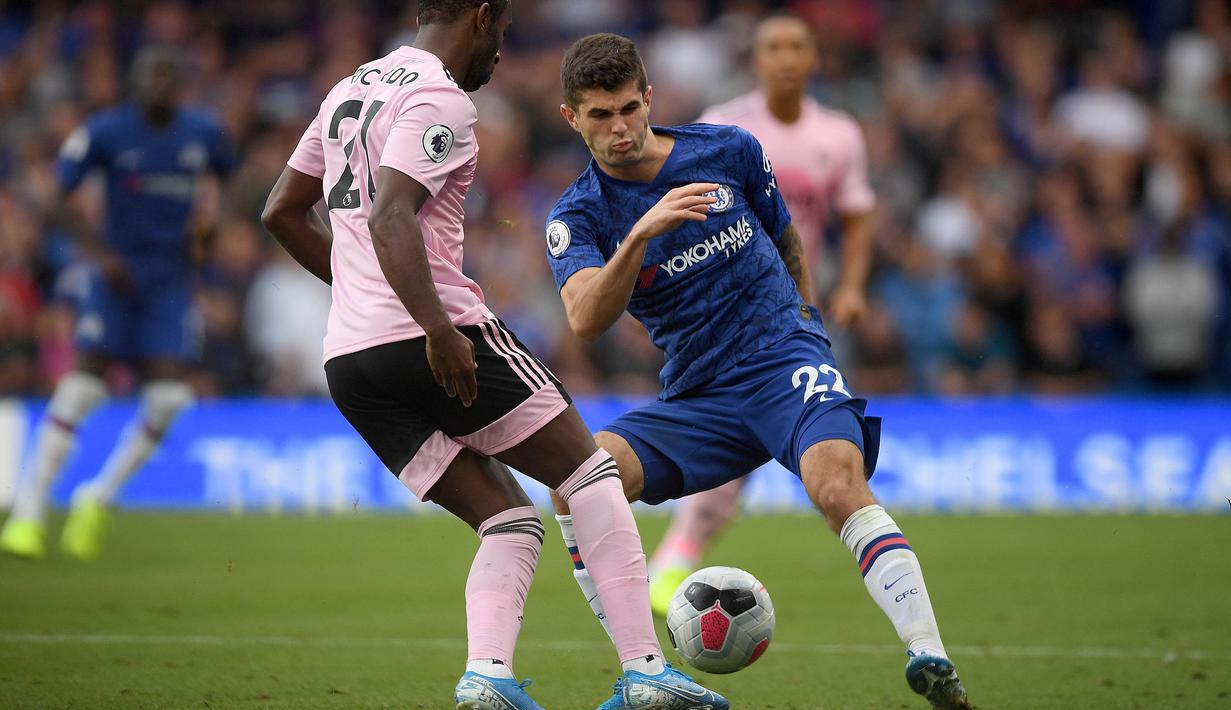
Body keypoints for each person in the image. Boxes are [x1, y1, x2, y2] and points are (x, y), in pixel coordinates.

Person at [260, 3, 726, 708]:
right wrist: (434, 328)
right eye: (502, 33)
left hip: (350, 361)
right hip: (435, 335)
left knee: (507, 521)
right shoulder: (437, 96)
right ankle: (644, 675)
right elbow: (390, 215)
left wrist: (359, 292)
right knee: (588, 475)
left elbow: (280, 211)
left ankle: (488, 680)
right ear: (479, 17)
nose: (501, 53)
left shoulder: (348, 90)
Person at [545, 33, 970, 709]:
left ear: (649, 98)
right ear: (571, 118)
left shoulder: (727, 150)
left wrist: (805, 323)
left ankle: (930, 657)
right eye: (599, 116)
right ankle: (644, 673)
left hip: (782, 362)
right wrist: (638, 236)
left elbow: (785, 236)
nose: (619, 128)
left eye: (629, 108)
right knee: (577, 481)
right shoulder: (577, 216)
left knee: (835, 483)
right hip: (696, 396)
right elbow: (585, 320)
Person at [646, 13, 877, 615]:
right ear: (756, 59)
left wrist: (850, 285)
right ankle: (669, 566)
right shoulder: (720, 128)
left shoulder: (841, 135)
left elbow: (856, 216)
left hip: (805, 314)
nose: (784, 57)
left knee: (831, 460)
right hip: (730, 321)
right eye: (772, 46)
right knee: (729, 460)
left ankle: (880, 565)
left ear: (813, 59)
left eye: (796, 46)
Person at [0, 48, 236, 561]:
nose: (160, 85)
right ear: (135, 83)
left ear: (181, 85)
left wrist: (210, 222)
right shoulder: (106, 131)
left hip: (170, 279)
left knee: (170, 398)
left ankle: (98, 498)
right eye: (151, 75)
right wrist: (99, 253)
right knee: (82, 386)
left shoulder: (203, 133)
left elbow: (225, 176)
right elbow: (55, 195)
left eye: (169, 75)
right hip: (116, 275)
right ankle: (29, 511)